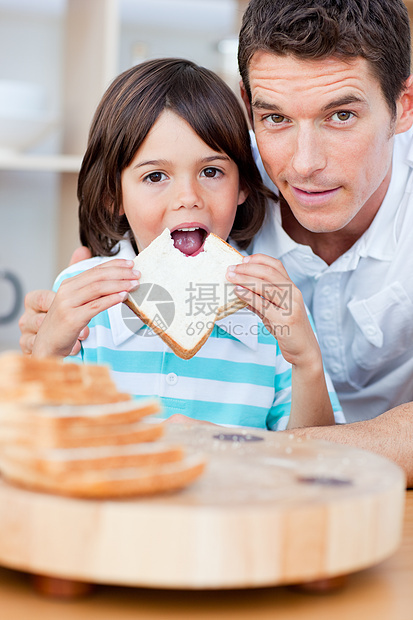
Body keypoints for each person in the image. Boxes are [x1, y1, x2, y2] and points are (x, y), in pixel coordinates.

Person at [19, 0, 413, 486]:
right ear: (250, 112)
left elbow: (304, 452)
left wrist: (252, 436)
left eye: (341, 115)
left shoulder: (263, 299)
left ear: (403, 105)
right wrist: (47, 350)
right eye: (275, 118)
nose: (305, 163)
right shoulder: (224, 150)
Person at [29, 57, 342, 431]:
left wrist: (307, 363)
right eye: (156, 175)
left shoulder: (274, 303)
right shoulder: (80, 300)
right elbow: (38, 444)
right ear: (114, 194)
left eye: (211, 172)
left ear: (243, 184)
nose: (187, 197)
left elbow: (312, 454)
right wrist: (47, 352)